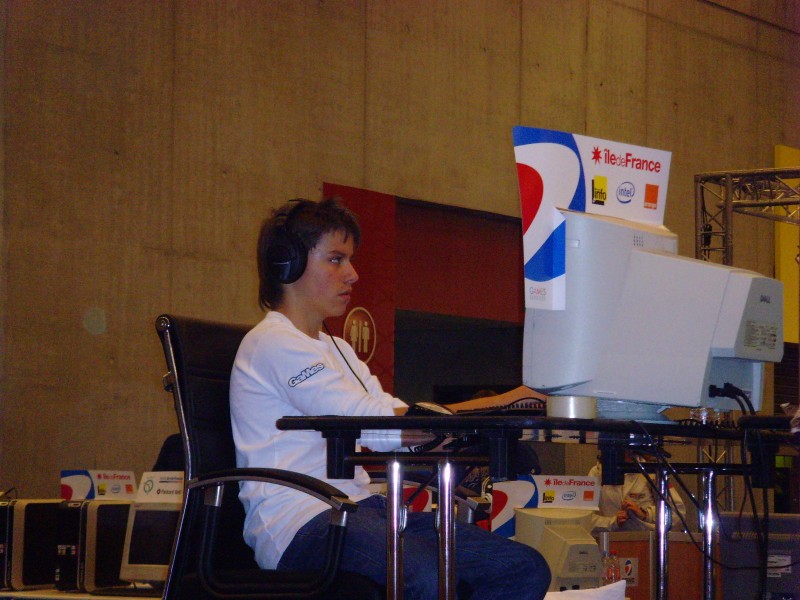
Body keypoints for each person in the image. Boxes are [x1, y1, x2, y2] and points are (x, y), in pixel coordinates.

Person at [230, 197, 551, 599]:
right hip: (300, 523)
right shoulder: (272, 342)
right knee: (425, 574)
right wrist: (499, 403)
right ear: (287, 265)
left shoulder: (338, 349)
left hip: (360, 509)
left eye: (349, 260)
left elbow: (388, 419)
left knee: (522, 569)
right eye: (336, 259)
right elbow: (371, 423)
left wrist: (471, 422)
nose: (352, 274)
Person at [588, 453, 686, 533]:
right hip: (611, 543)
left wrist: (646, 514)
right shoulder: (597, 473)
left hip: (646, 541)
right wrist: (613, 522)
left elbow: (677, 514)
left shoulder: (651, 470)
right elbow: (585, 519)